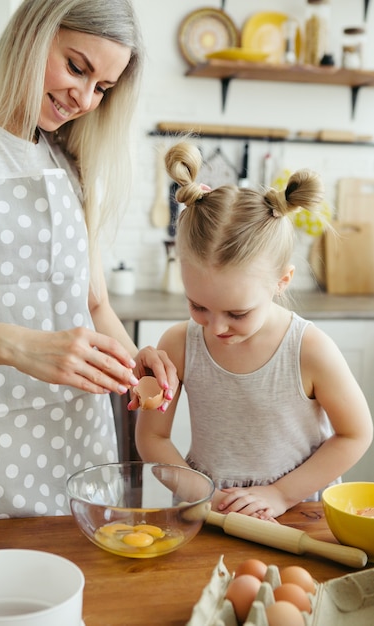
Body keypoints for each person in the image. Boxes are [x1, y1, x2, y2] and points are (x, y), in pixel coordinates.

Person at [0, 0, 177, 521]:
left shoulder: (69, 158)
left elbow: (92, 303)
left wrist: (132, 361)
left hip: (76, 445)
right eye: (77, 67)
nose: (83, 98)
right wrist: (23, 347)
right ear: (33, 34)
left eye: (102, 88)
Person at [135, 140, 373, 520]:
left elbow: (356, 433)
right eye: (198, 306)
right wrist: (201, 493)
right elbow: (152, 436)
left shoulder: (309, 349)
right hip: (208, 510)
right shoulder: (179, 344)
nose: (216, 326)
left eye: (237, 312)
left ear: (282, 281)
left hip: (297, 512)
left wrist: (280, 494)